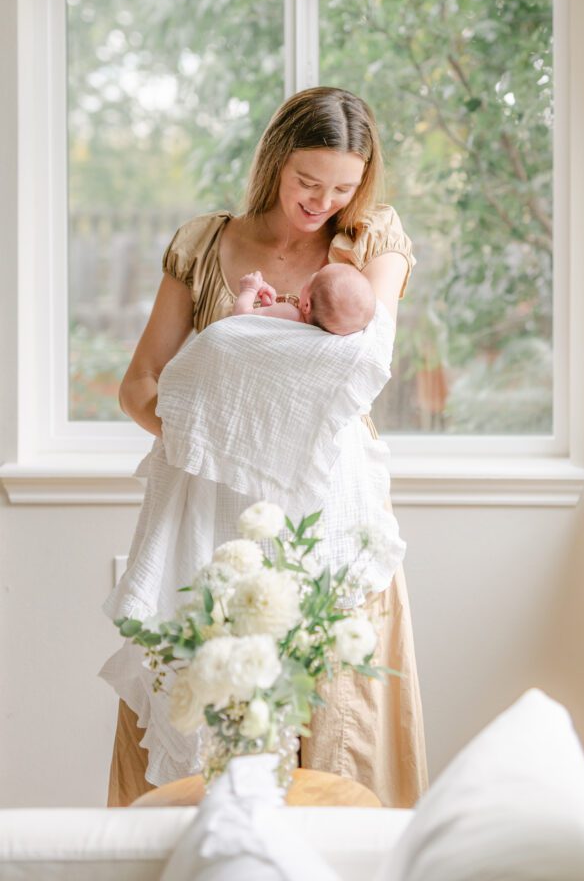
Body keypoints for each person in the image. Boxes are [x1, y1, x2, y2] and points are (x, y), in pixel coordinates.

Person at [107, 86, 428, 809]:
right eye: (306, 182)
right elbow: (139, 385)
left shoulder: (369, 244)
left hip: (327, 511)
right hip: (215, 517)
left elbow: (359, 366)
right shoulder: (204, 245)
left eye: (342, 187)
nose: (322, 202)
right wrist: (218, 442)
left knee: (337, 733)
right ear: (274, 161)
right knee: (207, 716)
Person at [230, 264, 376, 335]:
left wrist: (249, 290)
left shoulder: (290, 312)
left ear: (307, 305)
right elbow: (269, 326)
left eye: (314, 277)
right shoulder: (315, 332)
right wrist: (268, 306)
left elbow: (242, 317)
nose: (313, 273)